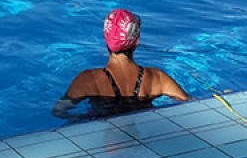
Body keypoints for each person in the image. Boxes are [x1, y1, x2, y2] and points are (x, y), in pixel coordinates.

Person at [52, 9, 189, 120]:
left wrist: (81, 119)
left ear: (106, 38)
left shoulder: (88, 80)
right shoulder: (157, 78)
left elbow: (59, 111)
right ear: (136, 41)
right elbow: (190, 105)